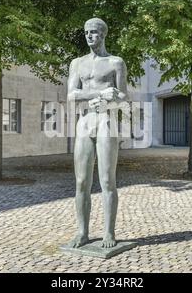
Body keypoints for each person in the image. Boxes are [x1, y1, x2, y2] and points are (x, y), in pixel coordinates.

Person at [67, 18, 128, 248]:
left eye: (93, 32)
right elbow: (71, 96)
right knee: (81, 181)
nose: (89, 36)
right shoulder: (77, 63)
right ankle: (82, 232)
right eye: (86, 32)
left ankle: (108, 233)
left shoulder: (116, 62)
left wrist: (110, 96)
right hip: (84, 123)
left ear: (103, 34)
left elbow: (123, 96)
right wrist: (101, 93)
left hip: (106, 122)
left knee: (106, 181)